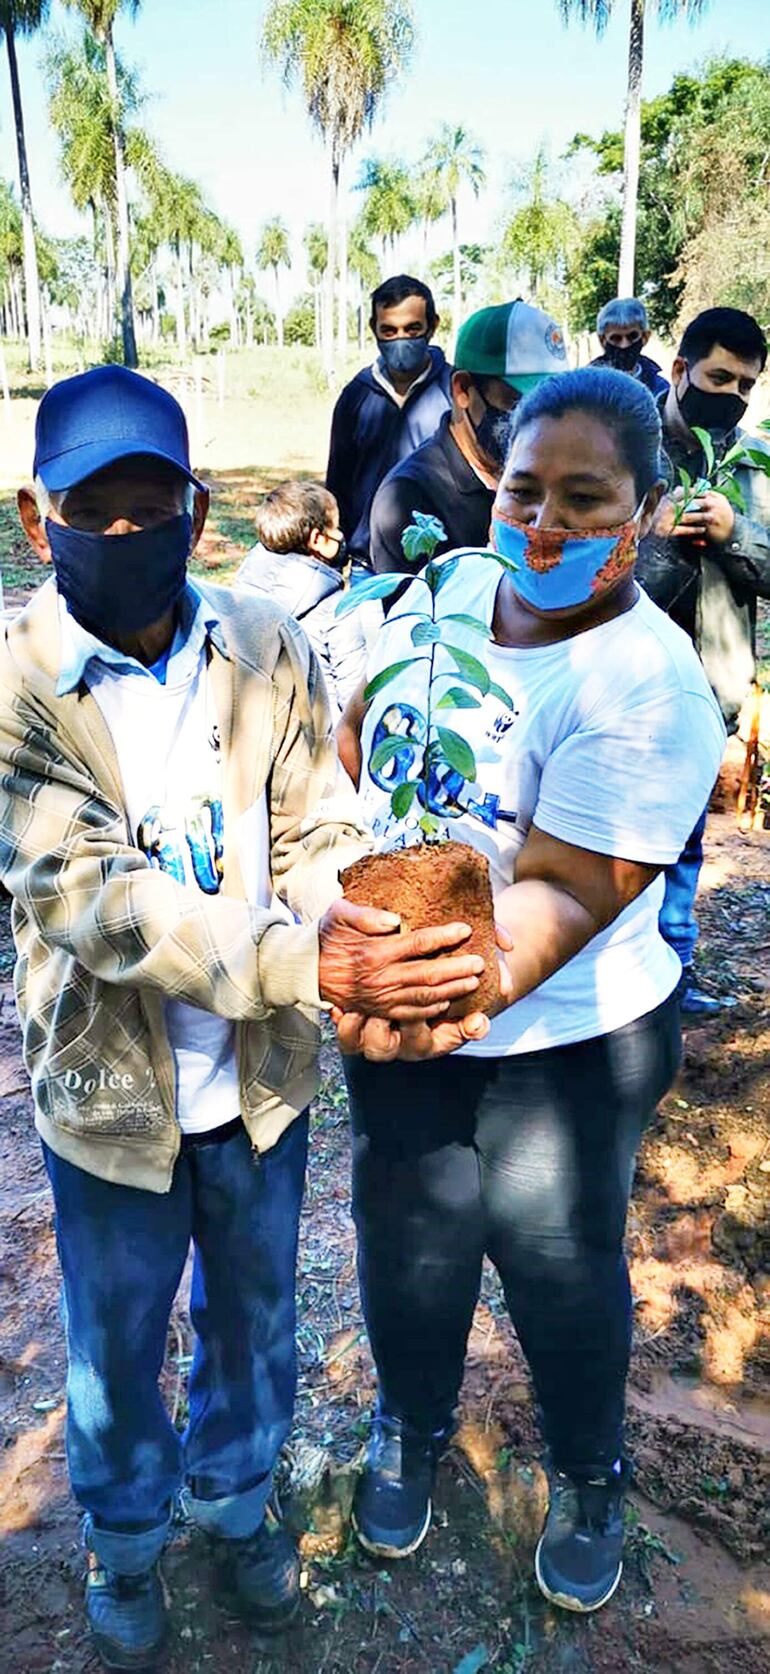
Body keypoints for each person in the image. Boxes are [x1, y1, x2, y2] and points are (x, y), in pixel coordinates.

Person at [0, 365, 486, 1672]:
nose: (120, 533)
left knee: (254, 1316)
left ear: (196, 509)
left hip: (257, 1086)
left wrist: (359, 912)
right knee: (112, 1340)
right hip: (112, 1101)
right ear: (39, 524)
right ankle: (123, 1536)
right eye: (88, 510)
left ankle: (233, 1501)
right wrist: (303, 962)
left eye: (146, 503)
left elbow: (315, 825)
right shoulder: (24, 683)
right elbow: (94, 898)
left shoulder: (265, 646)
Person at [335, 369, 725, 1615]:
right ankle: (407, 1428)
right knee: (409, 1238)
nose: (543, 525)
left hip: (564, 1036)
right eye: (522, 491)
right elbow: (359, 727)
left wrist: (425, 989)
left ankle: (591, 1470)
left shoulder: (649, 688)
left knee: (556, 1262)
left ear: (645, 513)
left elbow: (559, 891)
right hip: (406, 997)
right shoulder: (445, 588)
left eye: (583, 498)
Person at [637, 306, 770, 1015]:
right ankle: (618, 987)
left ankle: (675, 978)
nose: (734, 396)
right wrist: (649, 534)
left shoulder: (751, 461)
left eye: (747, 385)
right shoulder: (628, 440)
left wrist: (734, 531)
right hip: (622, 690)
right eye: (721, 377)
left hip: (706, 689)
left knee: (684, 845)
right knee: (615, 842)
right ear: (682, 369)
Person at [370, 299, 567, 575]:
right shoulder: (410, 499)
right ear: (463, 390)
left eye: (549, 404)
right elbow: (424, 613)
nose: (537, 422)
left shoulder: (549, 473)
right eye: (518, 403)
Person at [326, 274, 451, 570]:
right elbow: (339, 480)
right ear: (374, 329)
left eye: (412, 329)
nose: (400, 340)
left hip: (441, 564)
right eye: (389, 331)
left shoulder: (455, 391)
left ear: (433, 326)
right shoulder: (355, 396)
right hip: (368, 566)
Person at [235, 480, 366, 718]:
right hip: (319, 737)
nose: (340, 535)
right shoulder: (338, 609)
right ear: (317, 540)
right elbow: (354, 695)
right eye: (336, 527)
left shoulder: (243, 584)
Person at [591, 297, 669, 397]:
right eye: (616, 338)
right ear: (602, 340)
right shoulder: (587, 386)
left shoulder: (660, 389)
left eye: (632, 336)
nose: (624, 345)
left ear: (645, 337)